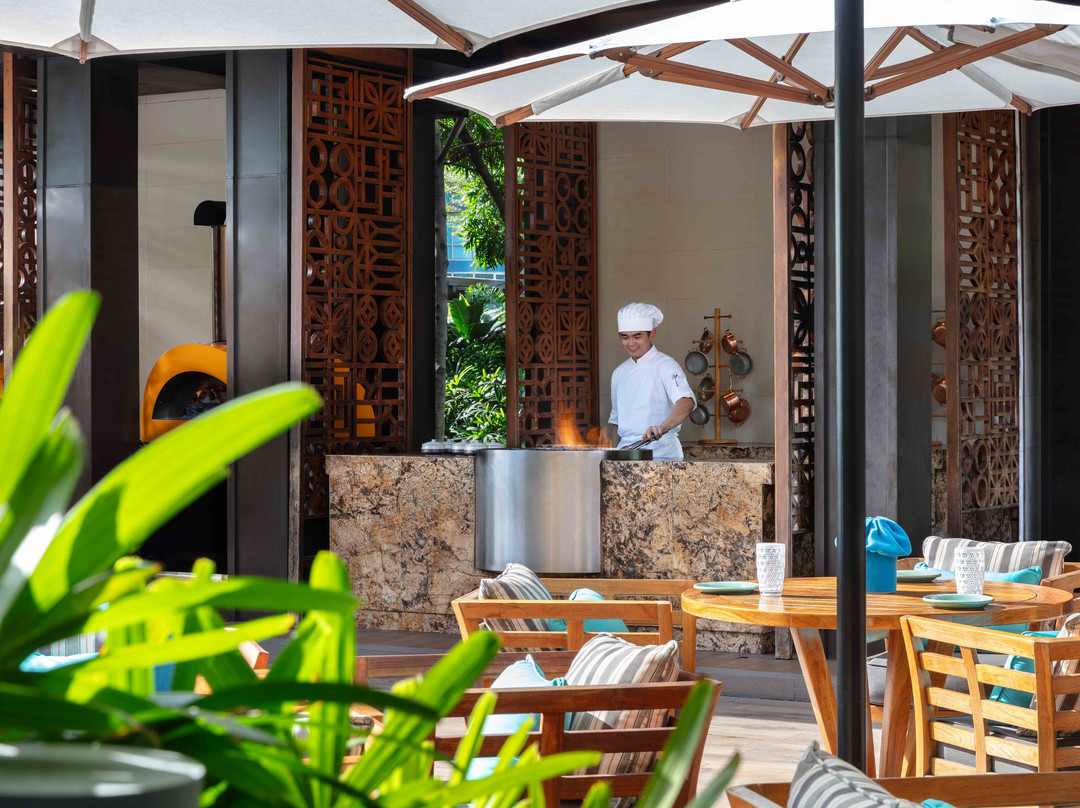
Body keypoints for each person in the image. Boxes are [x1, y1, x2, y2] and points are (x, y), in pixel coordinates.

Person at [608, 302, 696, 461]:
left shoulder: (666, 366)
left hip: (662, 453)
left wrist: (663, 426)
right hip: (626, 453)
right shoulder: (618, 373)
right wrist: (611, 457)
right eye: (625, 337)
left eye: (637, 336)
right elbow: (616, 422)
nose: (631, 343)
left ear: (652, 334)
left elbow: (686, 402)